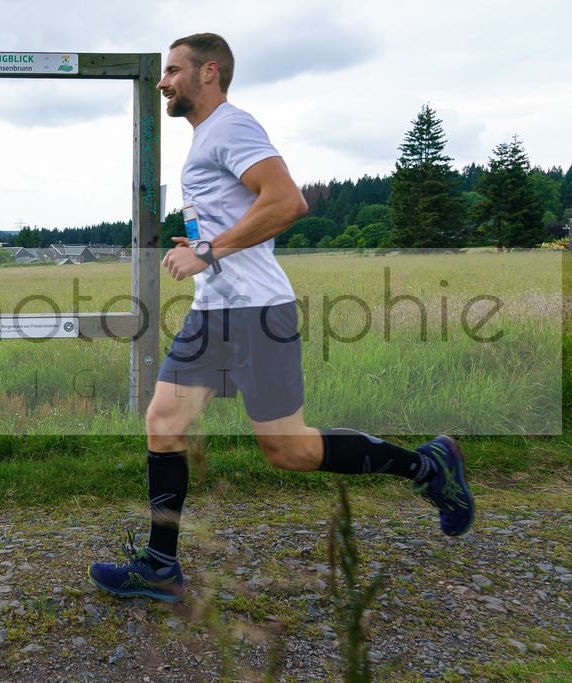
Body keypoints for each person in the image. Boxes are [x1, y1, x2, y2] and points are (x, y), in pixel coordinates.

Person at [88, 33, 474, 603]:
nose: (164, 82)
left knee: (288, 450)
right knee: (163, 423)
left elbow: (288, 201)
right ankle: (160, 565)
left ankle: (427, 466)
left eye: (173, 71)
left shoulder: (232, 127)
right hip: (213, 312)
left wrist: (209, 252)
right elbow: (243, 216)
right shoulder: (205, 140)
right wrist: (205, 243)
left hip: (256, 313)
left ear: (209, 72)